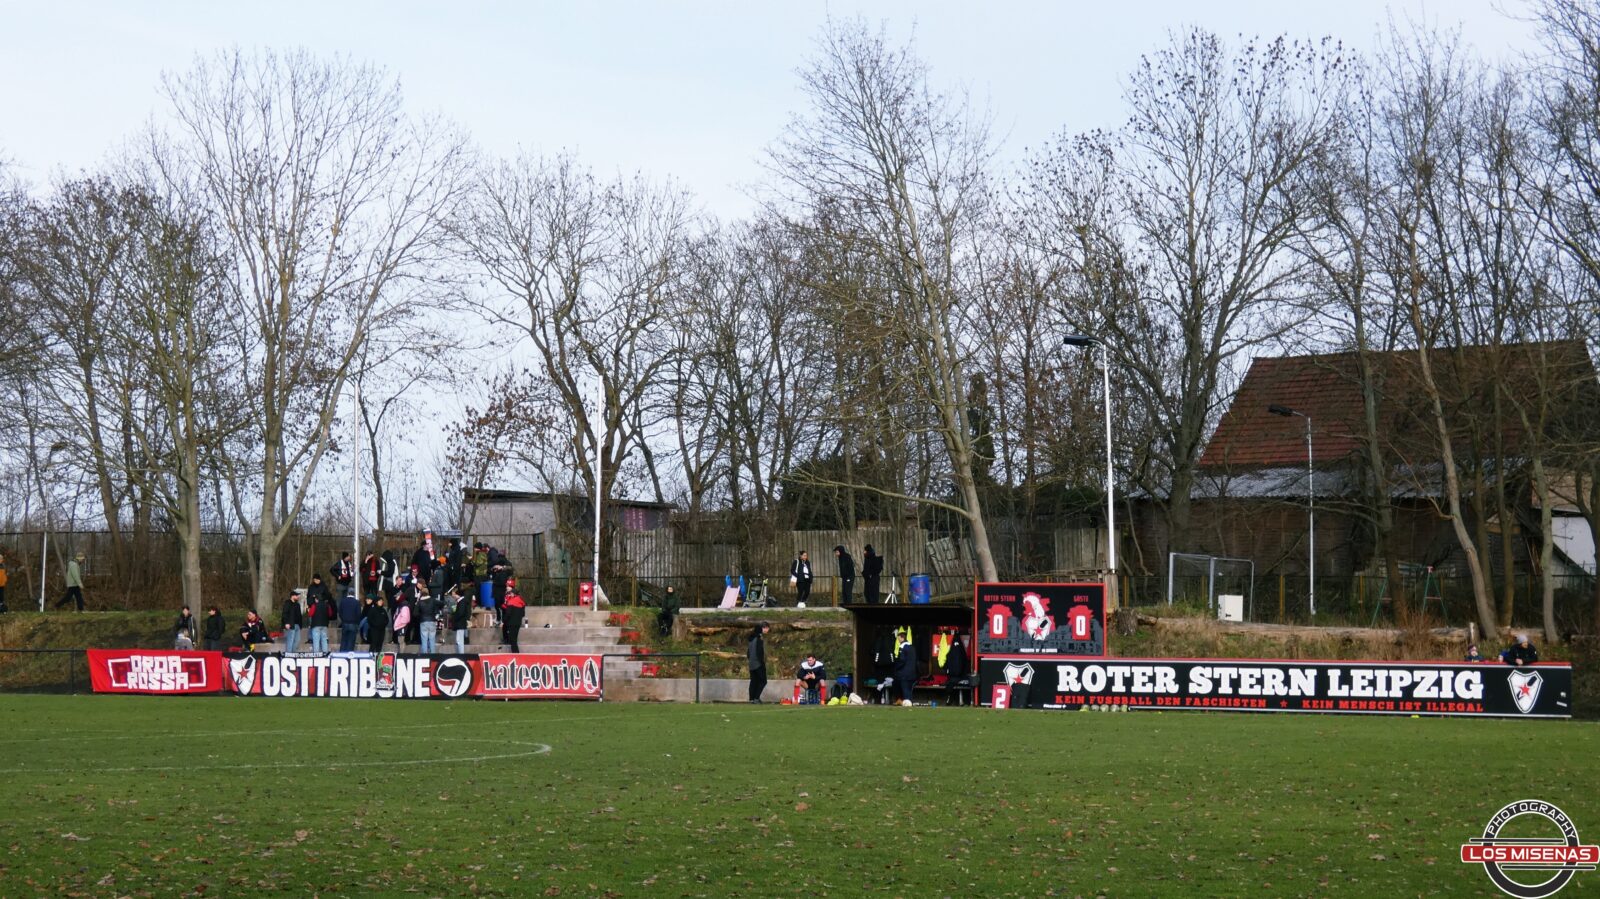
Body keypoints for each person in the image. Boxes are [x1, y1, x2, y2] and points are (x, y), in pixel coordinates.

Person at [891, 631, 918, 706]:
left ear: (902, 638)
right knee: (907, 688)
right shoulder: (912, 647)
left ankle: (907, 703)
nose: (898, 640)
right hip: (912, 673)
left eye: (898, 638)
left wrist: (896, 668)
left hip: (904, 673)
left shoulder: (902, 647)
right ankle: (902, 701)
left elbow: (902, 660)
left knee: (904, 688)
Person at [307, 582, 334, 654]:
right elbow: (330, 614)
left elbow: (310, 614)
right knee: (324, 640)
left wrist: (308, 610)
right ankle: (325, 654)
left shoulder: (314, 605)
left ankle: (316, 655)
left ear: (317, 599)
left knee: (316, 641)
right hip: (324, 625)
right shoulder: (327, 605)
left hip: (316, 625)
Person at [747, 622, 770, 703]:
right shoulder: (759, 638)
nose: (767, 630)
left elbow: (748, 652)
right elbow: (759, 652)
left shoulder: (751, 638)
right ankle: (756, 698)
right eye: (766, 628)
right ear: (762, 628)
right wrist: (762, 663)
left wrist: (750, 660)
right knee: (763, 681)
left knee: (754, 681)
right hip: (758, 663)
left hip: (751, 663)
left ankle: (751, 699)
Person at [501, 581, 526, 652]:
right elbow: (523, 614)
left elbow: (508, 613)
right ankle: (516, 653)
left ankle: (516, 654)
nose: (510, 594)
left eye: (511, 593)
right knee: (514, 639)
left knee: (513, 640)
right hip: (518, 623)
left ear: (514, 594)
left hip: (511, 623)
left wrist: (503, 621)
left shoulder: (511, 602)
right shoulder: (521, 602)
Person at [416, 586, 439, 655]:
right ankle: (433, 655)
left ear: (421, 593)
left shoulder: (419, 602)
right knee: (432, 639)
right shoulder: (432, 600)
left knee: (424, 640)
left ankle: (425, 655)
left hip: (423, 621)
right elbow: (442, 603)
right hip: (432, 621)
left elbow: (415, 613)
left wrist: (420, 615)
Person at [280, 589, 304, 653]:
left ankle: (294, 653)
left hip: (297, 626)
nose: (298, 597)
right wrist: (286, 623)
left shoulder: (297, 604)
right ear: (292, 596)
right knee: (290, 640)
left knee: (297, 640)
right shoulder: (287, 603)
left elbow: (299, 615)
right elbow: (284, 613)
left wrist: (300, 625)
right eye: (297, 595)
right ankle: (288, 654)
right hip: (290, 625)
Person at [449, 586, 472, 653]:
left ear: (457, 594)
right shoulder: (461, 601)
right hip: (460, 623)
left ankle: (461, 654)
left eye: (454, 594)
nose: (453, 596)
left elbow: (460, 613)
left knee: (459, 640)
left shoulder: (462, 602)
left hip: (460, 623)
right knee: (458, 640)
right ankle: (460, 653)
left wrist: (454, 618)